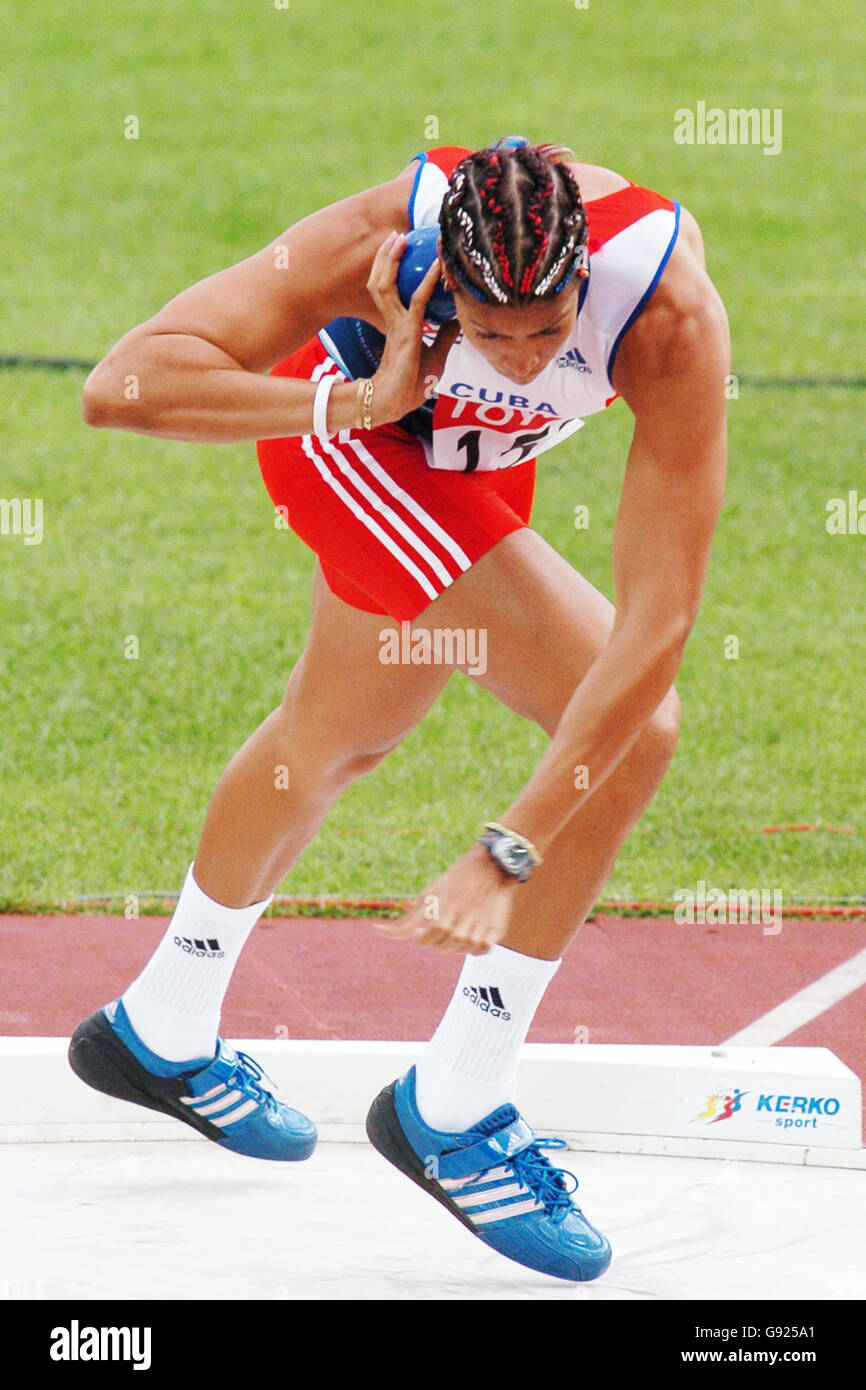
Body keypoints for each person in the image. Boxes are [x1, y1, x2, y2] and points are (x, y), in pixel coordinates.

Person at [69, 138, 729, 1284]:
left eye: (547, 328)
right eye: (490, 327)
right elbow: (121, 386)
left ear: (583, 276)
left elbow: (659, 615)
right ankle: (456, 1103)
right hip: (360, 442)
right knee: (636, 738)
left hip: (465, 465)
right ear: (437, 277)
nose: (524, 358)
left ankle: (158, 1028)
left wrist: (509, 847)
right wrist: (365, 396)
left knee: (334, 741)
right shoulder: (375, 237)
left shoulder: (667, 315)